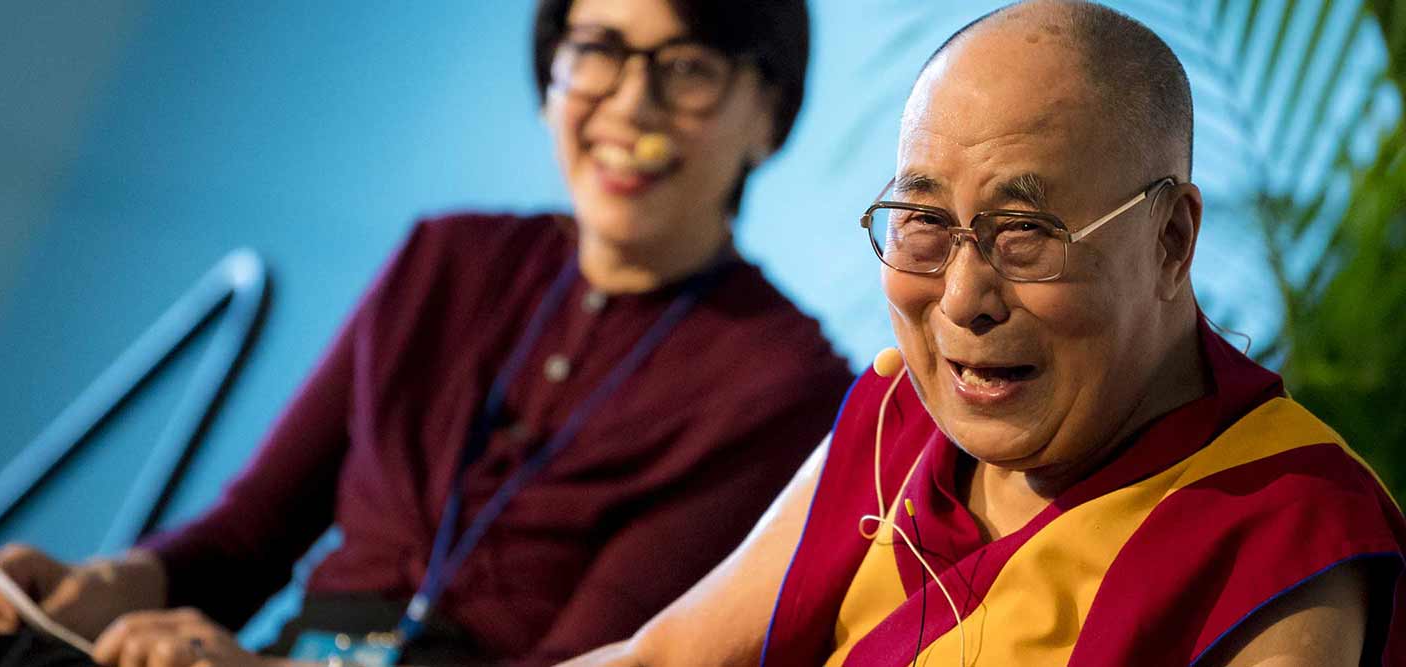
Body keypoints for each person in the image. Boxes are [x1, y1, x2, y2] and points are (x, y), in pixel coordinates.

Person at [0, 1, 852, 666]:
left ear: (766, 115)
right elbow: (252, 532)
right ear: (551, 71)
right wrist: (109, 583)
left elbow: (600, 661)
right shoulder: (446, 259)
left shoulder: (784, 381)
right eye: (595, 50)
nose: (629, 107)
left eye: (685, 68)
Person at [560, 1, 1406, 665]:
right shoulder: (897, 425)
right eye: (923, 220)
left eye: (1027, 233)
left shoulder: (1285, 526)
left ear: (1170, 241)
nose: (964, 298)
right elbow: (658, 655)